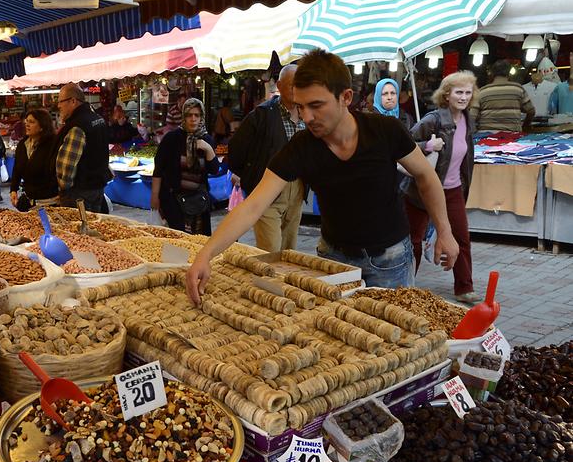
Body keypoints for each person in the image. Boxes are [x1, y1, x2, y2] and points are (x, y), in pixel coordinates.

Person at [185, 49, 459, 303]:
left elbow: (425, 175)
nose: (307, 116)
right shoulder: (301, 147)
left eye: (316, 105)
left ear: (346, 97)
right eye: (301, 106)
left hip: (390, 259)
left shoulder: (385, 130)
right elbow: (253, 206)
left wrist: (445, 231)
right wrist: (206, 254)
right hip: (332, 260)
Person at [405, 71, 481, 304]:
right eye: (459, 92)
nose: (464, 97)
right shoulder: (433, 119)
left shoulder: (468, 120)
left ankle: (464, 287)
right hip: (422, 190)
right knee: (413, 241)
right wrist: (428, 144)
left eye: (468, 92)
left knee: (461, 237)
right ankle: (406, 289)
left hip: (453, 189)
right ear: (447, 95)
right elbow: (405, 144)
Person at [227, 64, 305, 252]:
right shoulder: (263, 114)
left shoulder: (306, 113)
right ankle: (269, 281)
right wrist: (249, 178)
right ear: (279, 85)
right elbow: (236, 148)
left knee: (289, 251)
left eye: (300, 85)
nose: (296, 91)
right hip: (267, 192)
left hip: (297, 190)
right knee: (271, 252)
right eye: (291, 85)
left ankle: (284, 282)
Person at [151, 98, 218, 235]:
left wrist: (208, 149)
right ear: (183, 117)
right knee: (178, 240)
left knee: (198, 241)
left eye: (197, 115)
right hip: (173, 200)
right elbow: (158, 169)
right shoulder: (172, 139)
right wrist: (154, 195)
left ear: (201, 117)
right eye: (189, 115)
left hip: (198, 202)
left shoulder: (207, 140)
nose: (193, 119)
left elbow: (214, 169)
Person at [53, 83, 111, 212]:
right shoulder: (98, 119)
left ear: (73, 101)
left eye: (60, 102)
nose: (58, 106)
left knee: (78, 230)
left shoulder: (77, 127)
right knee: (94, 225)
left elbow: (67, 167)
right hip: (97, 187)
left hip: (79, 193)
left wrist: (61, 188)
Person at [10, 108, 58, 210]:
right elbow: (17, 169)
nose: (27, 124)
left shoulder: (53, 144)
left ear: (42, 126)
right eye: (26, 121)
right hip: (29, 201)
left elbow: (56, 173)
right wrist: (13, 189)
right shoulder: (23, 144)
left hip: (49, 202)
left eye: (31, 122)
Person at [469, 60, 535, 131]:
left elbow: (472, 117)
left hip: (486, 137)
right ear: (509, 73)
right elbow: (531, 111)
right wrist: (525, 125)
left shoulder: (482, 92)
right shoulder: (518, 89)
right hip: (512, 136)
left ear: (492, 73)